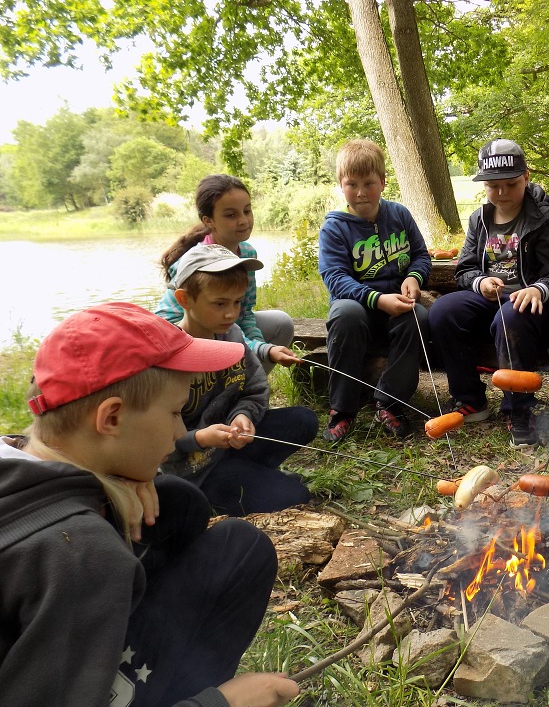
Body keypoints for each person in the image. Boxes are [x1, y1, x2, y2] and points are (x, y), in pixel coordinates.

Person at [0, 302, 299, 706]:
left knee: (214, 529)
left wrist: (110, 477)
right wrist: (221, 702)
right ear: (111, 419)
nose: (180, 432)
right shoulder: (82, 554)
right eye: (175, 412)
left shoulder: (19, 462)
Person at [428, 139, 549, 447]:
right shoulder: (479, 220)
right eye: (494, 186)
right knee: (443, 311)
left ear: (526, 177)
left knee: (511, 316)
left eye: (511, 184)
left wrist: (540, 288)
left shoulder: (545, 219)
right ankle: (469, 399)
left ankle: (519, 409)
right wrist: (480, 282)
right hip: (489, 298)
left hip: (530, 304)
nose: (503, 193)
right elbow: (465, 269)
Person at [160, 243, 317, 516]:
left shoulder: (231, 335)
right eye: (219, 304)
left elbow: (255, 389)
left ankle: (248, 473)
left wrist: (242, 415)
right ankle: (221, 490)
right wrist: (200, 438)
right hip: (193, 467)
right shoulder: (167, 355)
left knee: (304, 419)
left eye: (237, 302)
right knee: (296, 495)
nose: (231, 314)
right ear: (185, 300)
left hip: (229, 444)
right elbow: (153, 437)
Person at [318, 139, 431, 441]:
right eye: (351, 184)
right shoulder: (334, 228)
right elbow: (334, 277)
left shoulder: (400, 215)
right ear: (340, 186)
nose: (360, 192)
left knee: (417, 315)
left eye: (369, 183)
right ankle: (342, 408)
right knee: (345, 313)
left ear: (382, 182)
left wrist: (415, 278)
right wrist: (376, 299)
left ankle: (390, 402)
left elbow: (421, 255)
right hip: (358, 310)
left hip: (396, 306)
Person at [156, 174, 298, 375]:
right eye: (231, 215)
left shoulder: (247, 253)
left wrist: (262, 347)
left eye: (247, 211)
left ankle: (247, 386)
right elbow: (177, 323)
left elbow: (245, 313)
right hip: (189, 333)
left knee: (281, 323)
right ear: (209, 220)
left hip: (222, 323)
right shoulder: (196, 261)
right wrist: (263, 349)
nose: (243, 221)